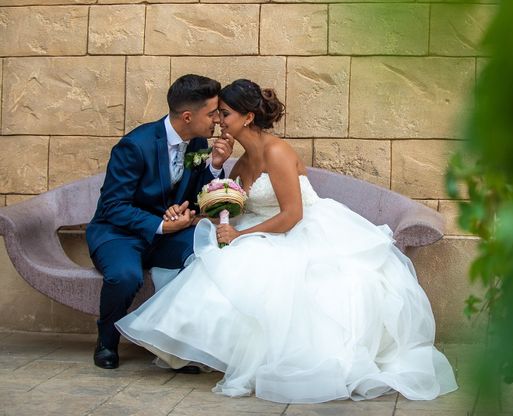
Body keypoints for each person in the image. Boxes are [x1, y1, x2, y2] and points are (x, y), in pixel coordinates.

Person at [116, 79, 458, 402]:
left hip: (301, 231)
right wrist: (199, 212)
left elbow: (292, 214)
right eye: (218, 113)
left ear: (248, 117)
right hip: (263, 228)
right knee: (217, 259)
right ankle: (194, 348)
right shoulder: (243, 161)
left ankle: (265, 358)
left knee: (248, 265)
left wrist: (240, 235)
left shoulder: (276, 152)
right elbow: (230, 206)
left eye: (225, 113)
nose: (219, 120)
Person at [86, 74, 234, 370]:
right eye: (212, 112)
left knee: (207, 255)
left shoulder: (197, 142)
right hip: (119, 234)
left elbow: (194, 195)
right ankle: (106, 340)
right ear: (188, 116)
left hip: (165, 235)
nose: (217, 119)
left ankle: (178, 346)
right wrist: (162, 225)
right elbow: (113, 206)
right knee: (126, 276)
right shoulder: (135, 146)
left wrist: (215, 167)